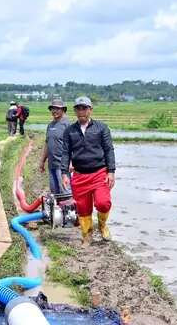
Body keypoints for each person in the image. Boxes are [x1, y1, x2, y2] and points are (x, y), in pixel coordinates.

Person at [61, 97, 116, 246]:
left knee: (103, 203)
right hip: (79, 175)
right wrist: (64, 173)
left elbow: (109, 150)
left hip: (99, 173)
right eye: (78, 108)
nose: (81, 112)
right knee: (83, 208)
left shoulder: (101, 128)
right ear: (75, 111)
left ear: (90, 110)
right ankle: (87, 235)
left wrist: (111, 171)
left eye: (84, 108)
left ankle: (102, 225)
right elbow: (66, 152)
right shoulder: (70, 131)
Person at [38, 98, 71, 194]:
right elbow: (47, 144)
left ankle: (70, 208)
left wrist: (71, 163)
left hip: (63, 165)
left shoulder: (67, 125)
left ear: (63, 110)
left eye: (57, 108)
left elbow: (73, 145)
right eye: (53, 108)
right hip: (51, 164)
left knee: (65, 191)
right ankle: (59, 208)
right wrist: (42, 161)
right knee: (54, 191)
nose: (54, 111)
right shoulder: (50, 125)